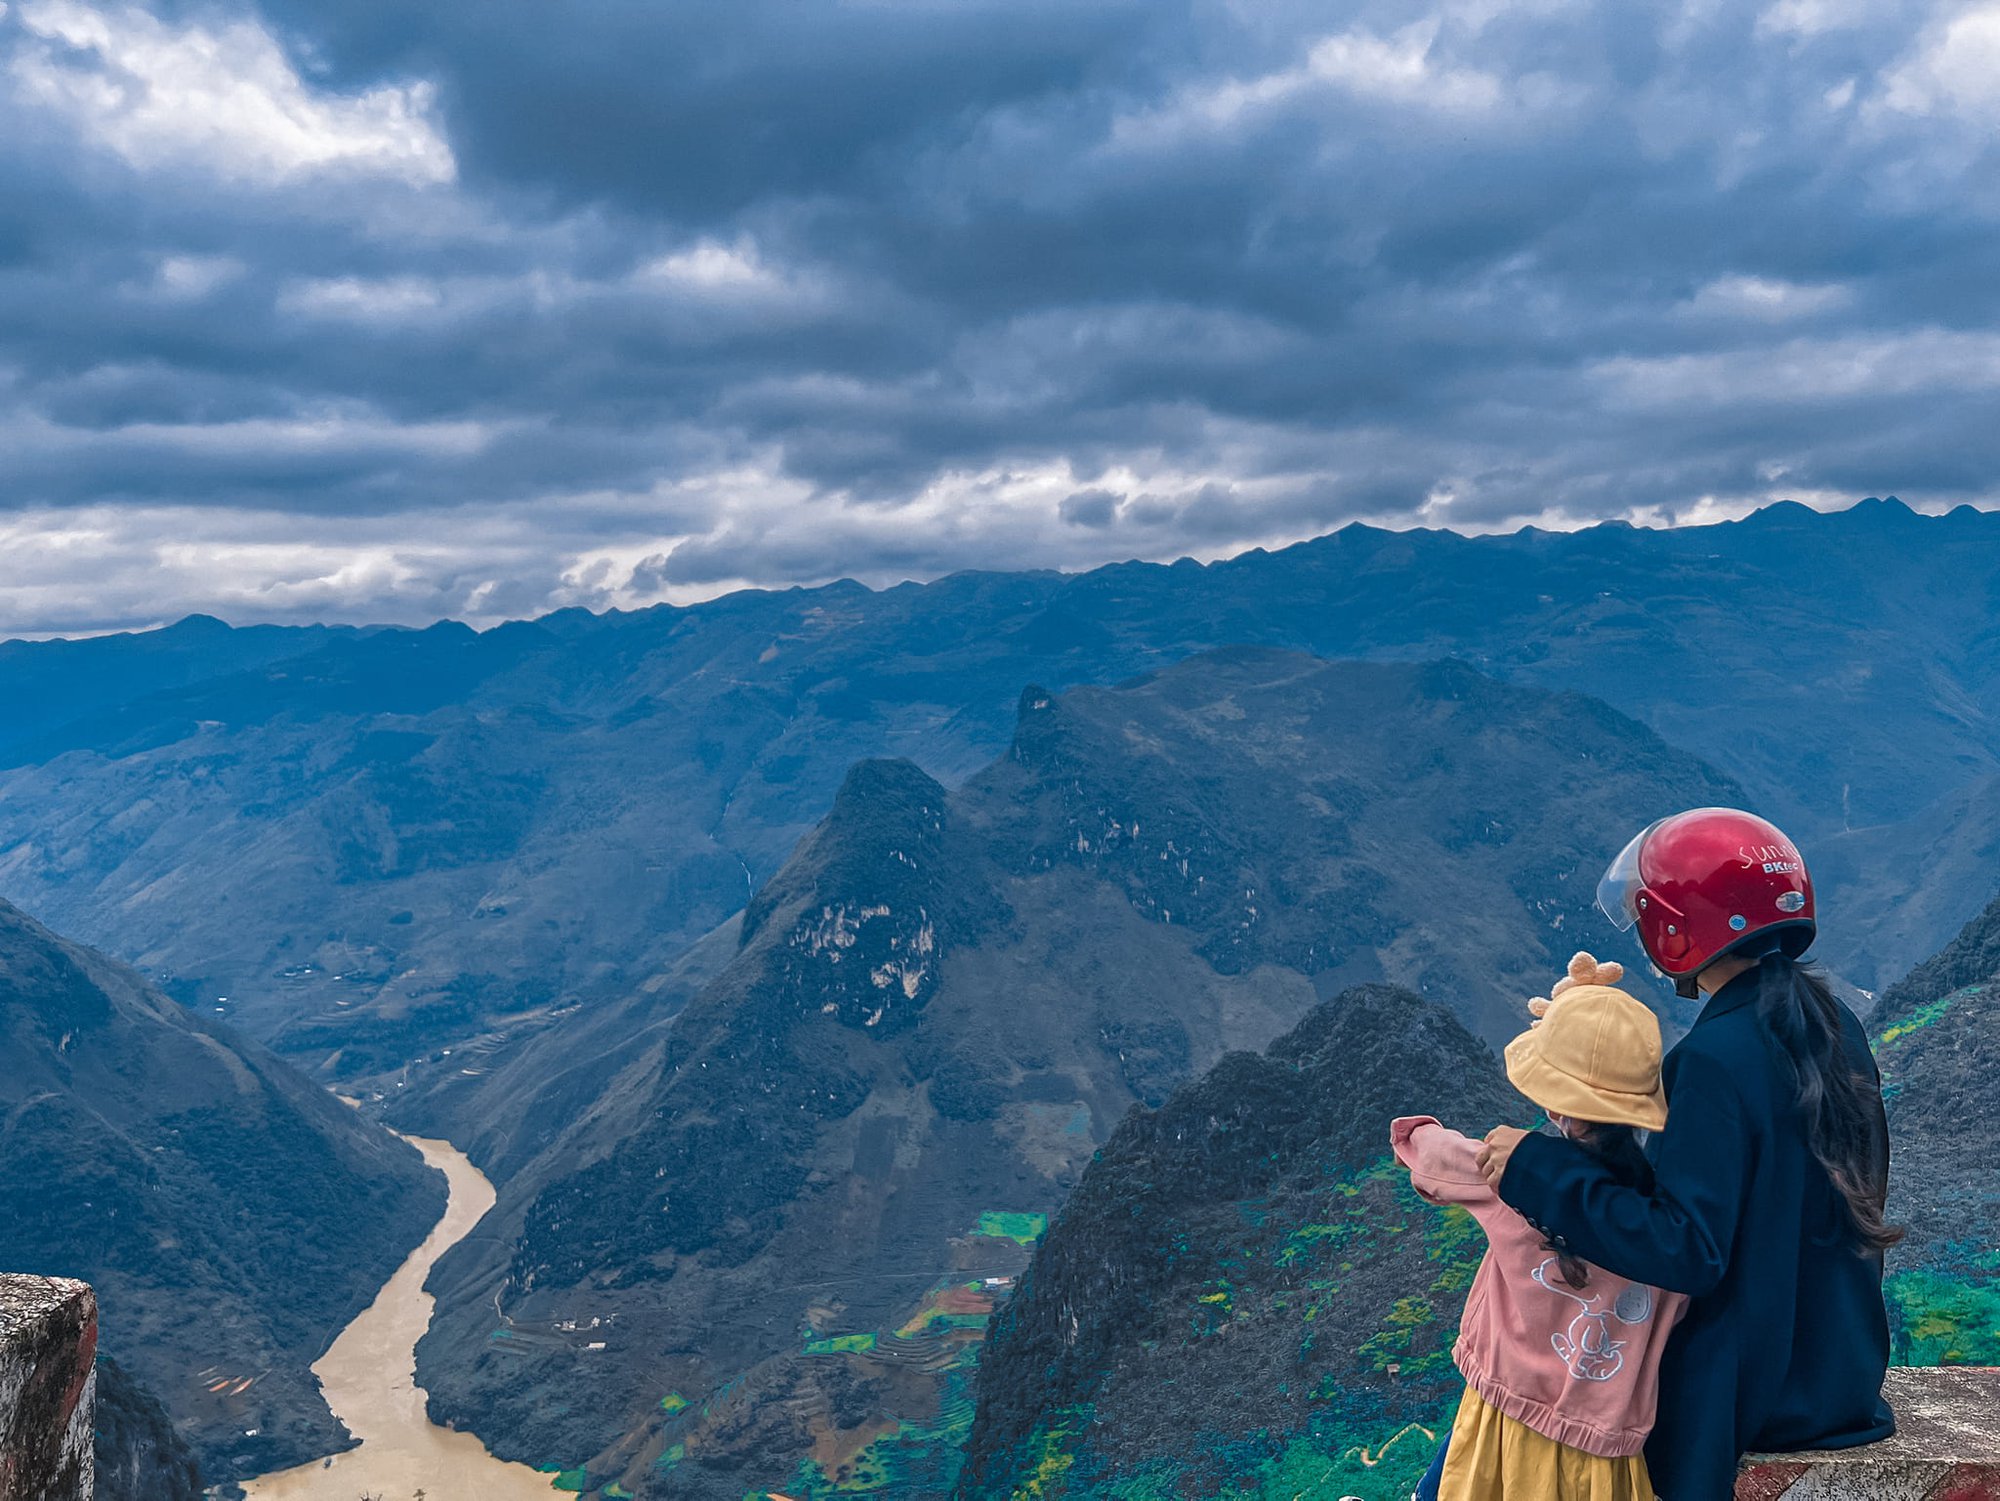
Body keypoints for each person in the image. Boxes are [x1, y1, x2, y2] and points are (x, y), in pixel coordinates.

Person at [1476, 808, 1897, 1501]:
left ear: (1676, 927)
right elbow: (1745, 1198)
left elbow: (1686, 1248)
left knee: (1530, 1388)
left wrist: (1537, 1167)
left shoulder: (1710, 1060)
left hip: (1756, 1389)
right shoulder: (1832, 1024)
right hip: (1837, 1374)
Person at [1396, 952, 1686, 1501]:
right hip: (1603, 1456)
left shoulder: (1503, 1179)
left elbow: (1428, 1160)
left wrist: (1421, 1133)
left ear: (1556, 1107)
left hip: (1500, 1422)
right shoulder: (1667, 1226)